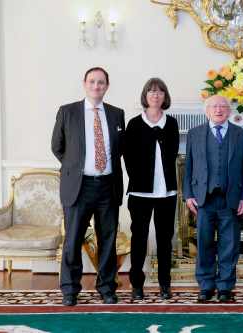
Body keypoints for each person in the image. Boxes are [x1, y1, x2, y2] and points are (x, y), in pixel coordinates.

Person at [51, 67, 125, 306]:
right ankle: (70, 289)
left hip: (107, 186)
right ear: (84, 83)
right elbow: (57, 146)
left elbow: (119, 149)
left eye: (101, 82)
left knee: (107, 239)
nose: (96, 86)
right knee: (73, 239)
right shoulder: (68, 112)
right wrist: (75, 167)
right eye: (92, 81)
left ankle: (106, 288)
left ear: (107, 86)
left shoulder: (116, 114)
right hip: (78, 187)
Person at [183, 95, 243, 302]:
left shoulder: (242, 135)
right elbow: (188, 168)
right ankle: (206, 286)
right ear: (207, 111)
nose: (219, 109)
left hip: (230, 200)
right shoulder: (194, 134)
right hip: (203, 200)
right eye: (214, 106)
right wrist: (188, 194)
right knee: (204, 244)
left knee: (229, 245)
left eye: (223, 106)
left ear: (229, 111)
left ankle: (225, 287)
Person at [124, 78, 179, 300]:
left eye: (160, 92)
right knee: (139, 238)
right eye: (151, 91)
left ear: (165, 96)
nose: (155, 95)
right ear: (145, 96)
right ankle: (137, 284)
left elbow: (173, 153)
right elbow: (128, 157)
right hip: (140, 193)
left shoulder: (172, 123)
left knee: (166, 239)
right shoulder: (134, 124)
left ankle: (165, 284)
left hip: (167, 193)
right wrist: (139, 178)